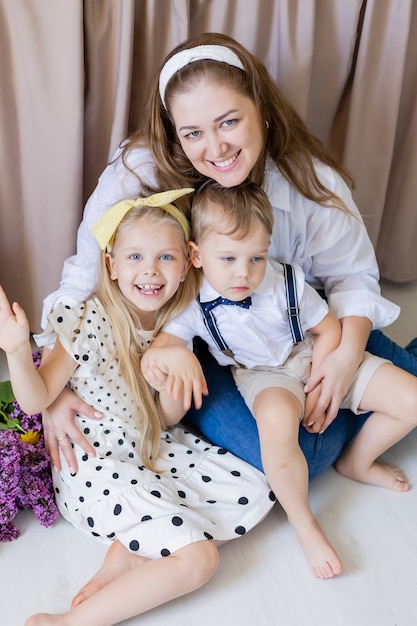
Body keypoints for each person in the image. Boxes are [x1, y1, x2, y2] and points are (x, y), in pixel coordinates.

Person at [39, 32, 417, 481]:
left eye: (229, 122)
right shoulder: (138, 170)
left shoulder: (310, 181)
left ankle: (358, 399)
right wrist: (50, 390)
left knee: (398, 388)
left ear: (260, 108)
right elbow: (84, 274)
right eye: (193, 132)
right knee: (306, 454)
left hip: (300, 322)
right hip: (208, 344)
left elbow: (351, 278)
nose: (215, 148)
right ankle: (345, 418)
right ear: (174, 134)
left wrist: (343, 358)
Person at [0, 189, 274, 626]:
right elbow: (36, 399)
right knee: (199, 558)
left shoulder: (175, 322)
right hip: (95, 465)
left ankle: (131, 552)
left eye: (165, 258)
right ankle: (63, 623)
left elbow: (164, 418)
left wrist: (175, 378)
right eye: (134, 258)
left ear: (187, 262)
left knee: (256, 489)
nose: (150, 270)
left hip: (151, 449)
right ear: (110, 265)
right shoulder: (88, 320)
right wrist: (16, 350)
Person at [142, 181, 417, 579]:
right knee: (275, 423)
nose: (244, 273)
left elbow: (327, 329)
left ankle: (357, 461)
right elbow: (166, 342)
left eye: (256, 257)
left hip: (313, 357)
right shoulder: (194, 302)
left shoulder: (286, 282)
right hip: (263, 375)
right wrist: (163, 354)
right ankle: (303, 520)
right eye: (229, 258)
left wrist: (322, 382)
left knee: (410, 398)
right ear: (196, 255)